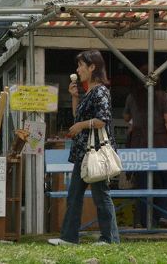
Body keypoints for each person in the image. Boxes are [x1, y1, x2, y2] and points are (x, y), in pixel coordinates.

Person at [48, 50, 120, 245]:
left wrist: (81, 126)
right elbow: (78, 117)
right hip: (84, 152)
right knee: (74, 196)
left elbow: (102, 120)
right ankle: (69, 237)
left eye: (81, 65)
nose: (78, 69)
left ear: (92, 67)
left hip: (94, 151)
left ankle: (110, 238)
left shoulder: (101, 91)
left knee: (100, 196)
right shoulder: (89, 91)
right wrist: (74, 97)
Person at [123, 65, 167, 229]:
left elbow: (126, 117)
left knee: (142, 183)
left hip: (138, 145)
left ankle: (143, 220)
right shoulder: (162, 96)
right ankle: (165, 215)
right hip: (160, 143)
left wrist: (135, 120)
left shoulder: (132, 97)